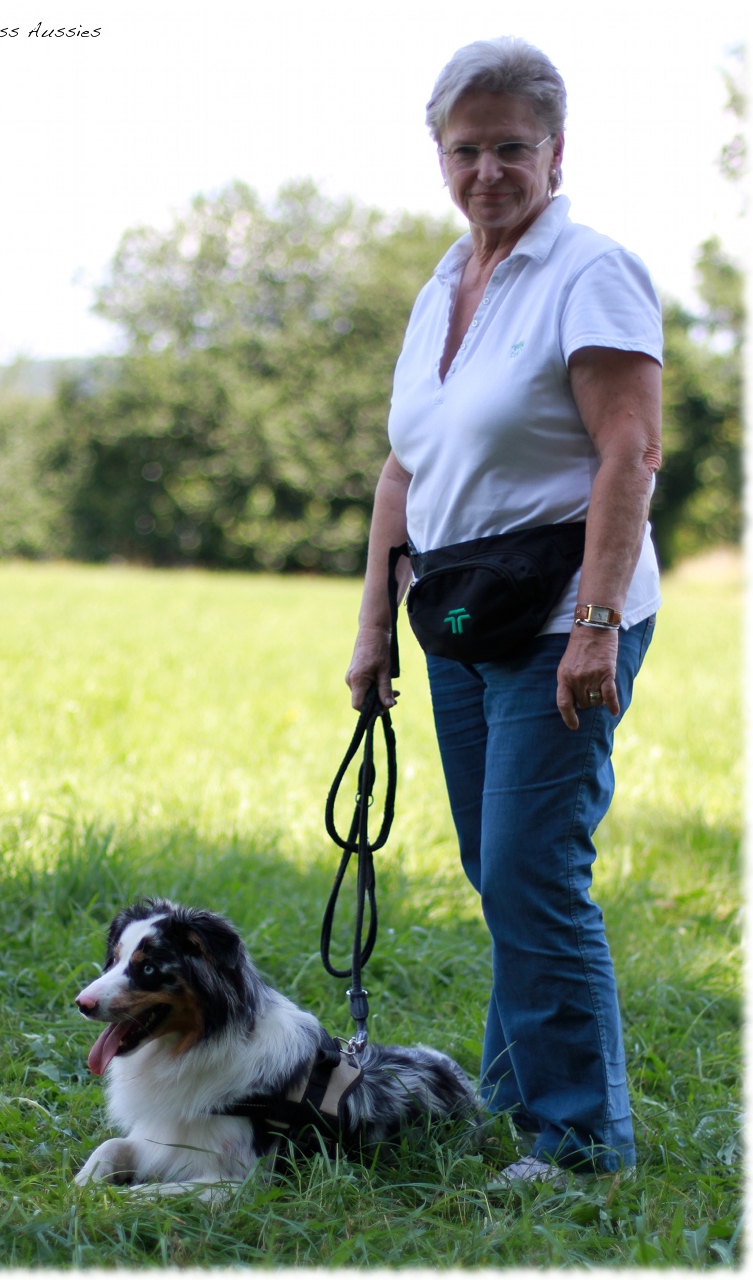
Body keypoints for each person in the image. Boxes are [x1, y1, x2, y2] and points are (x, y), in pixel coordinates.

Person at [346, 36, 662, 1185]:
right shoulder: (441, 285)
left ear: (555, 151)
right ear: (440, 156)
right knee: (498, 867)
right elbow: (404, 469)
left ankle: (578, 1148)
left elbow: (629, 451)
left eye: (511, 148)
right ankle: (519, 1098)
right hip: (459, 617)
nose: (487, 171)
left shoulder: (590, 271)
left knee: (532, 869)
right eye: (466, 149)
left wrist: (595, 622)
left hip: (563, 617)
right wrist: (372, 626)